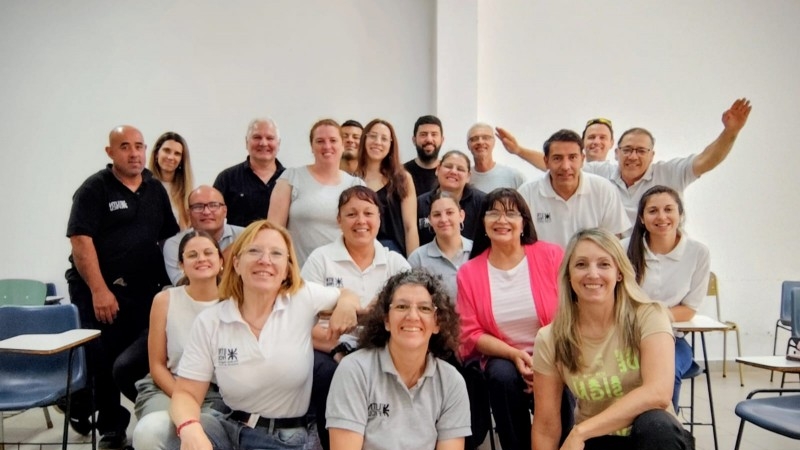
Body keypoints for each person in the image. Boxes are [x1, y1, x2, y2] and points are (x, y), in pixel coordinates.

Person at [169, 220, 360, 450]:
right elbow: (186, 393)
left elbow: (346, 294)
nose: (265, 260)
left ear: (288, 269)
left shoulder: (303, 298)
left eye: (276, 253)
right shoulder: (211, 320)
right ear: (237, 263)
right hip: (226, 427)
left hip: (280, 438)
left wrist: (347, 305)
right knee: (157, 431)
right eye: (254, 251)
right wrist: (190, 428)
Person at [65, 125, 179, 449]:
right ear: (110, 152)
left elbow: (167, 240)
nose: (134, 153)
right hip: (98, 289)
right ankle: (112, 430)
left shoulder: (155, 189)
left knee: (139, 358)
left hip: (143, 289)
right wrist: (100, 290)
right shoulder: (94, 188)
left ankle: (152, 415)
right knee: (102, 359)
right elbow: (80, 240)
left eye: (139, 146)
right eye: (125, 146)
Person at [532, 228, 693, 450]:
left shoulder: (649, 315)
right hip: (598, 441)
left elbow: (658, 393)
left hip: (651, 439)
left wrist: (580, 431)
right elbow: (546, 425)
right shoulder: (550, 337)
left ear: (619, 272)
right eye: (581, 264)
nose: (593, 273)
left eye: (604, 264)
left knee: (656, 424)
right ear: (569, 276)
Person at [497, 98, 753, 223]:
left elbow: (707, 160)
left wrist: (730, 133)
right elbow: (562, 167)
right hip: (612, 260)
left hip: (657, 258)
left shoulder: (670, 173)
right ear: (616, 152)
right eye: (627, 150)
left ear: (653, 155)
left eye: (641, 151)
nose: (633, 156)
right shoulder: (601, 172)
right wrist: (519, 150)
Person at [456, 188, 568, 450]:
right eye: (493, 212)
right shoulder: (469, 272)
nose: (501, 220)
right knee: (501, 376)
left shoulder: (551, 255)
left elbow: (570, 314)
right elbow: (470, 333)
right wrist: (514, 355)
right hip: (504, 356)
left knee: (563, 382)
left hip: (555, 352)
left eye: (510, 213)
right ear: (482, 223)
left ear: (523, 222)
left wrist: (542, 364)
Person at [301, 186, 411, 450]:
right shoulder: (321, 259)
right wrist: (340, 346)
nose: (361, 221)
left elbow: (410, 315)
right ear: (339, 220)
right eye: (351, 214)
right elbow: (301, 321)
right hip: (328, 349)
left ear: (379, 218)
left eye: (368, 213)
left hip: (383, 348)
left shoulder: (396, 263)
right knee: (329, 373)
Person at [326, 269, 472, 450]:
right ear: (386, 320)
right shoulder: (354, 370)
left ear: (437, 323)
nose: (412, 316)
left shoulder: (451, 382)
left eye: (424, 308)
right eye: (402, 306)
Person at [132, 231, 225, 450]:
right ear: (181, 264)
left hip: (219, 392)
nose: (201, 258)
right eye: (192, 255)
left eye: (208, 252)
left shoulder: (235, 301)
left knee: (202, 437)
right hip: (169, 385)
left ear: (221, 261)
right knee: (154, 431)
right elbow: (156, 365)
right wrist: (186, 400)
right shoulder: (165, 300)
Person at [624, 185, 710, 411]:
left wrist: (650, 319)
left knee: (665, 375)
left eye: (668, 209)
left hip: (672, 339)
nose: (661, 217)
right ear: (642, 218)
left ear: (680, 214)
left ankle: (666, 433)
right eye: (653, 211)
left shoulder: (698, 252)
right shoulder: (622, 249)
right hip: (625, 339)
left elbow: (689, 309)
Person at [268, 119, 365, 266]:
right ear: (312, 147)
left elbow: (364, 234)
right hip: (299, 275)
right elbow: (273, 231)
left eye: (333, 140)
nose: (327, 146)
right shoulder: (291, 178)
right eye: (320, 141)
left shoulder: (355, 185)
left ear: (342, 145)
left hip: (342, 273)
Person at [517, 129, 630, 247]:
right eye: (557, 158)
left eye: (572, 157)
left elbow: (613, 240)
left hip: (590, 264)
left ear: (582, 159)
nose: (565, 166)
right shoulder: (527, 193)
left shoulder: (604, 189)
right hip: (542, 265)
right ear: (546, 161)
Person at [356, 118, 419, 256]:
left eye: (384, 138)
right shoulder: (351, 179)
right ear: (364, 139)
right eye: (373, 136)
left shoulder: (402, 179)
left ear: (391, 144)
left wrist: (413, 266)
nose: (378, 142)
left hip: (393, 255)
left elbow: (410, 227)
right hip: (357, 252)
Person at [163, 185, 245, 285]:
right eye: (198, 207)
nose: (206, 212)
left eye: (214, 205)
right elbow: (183, 285)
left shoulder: (246, 236)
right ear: (189, 213)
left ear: (225, 211)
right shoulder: (174, 244)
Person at [214, 118, 286, 227]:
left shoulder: (290, 179)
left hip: (278, 244)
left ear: (278, 144)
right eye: (257, 137)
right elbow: (213, 217)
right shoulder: (227, 178)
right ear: (246, 142)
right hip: (240, 243)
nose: (263, 143)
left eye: (270, 138)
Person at [408, 191, 472, 303]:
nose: (443, 219)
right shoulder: (418, 258)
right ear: (430, 220)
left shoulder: (477, 250)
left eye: (449, 213)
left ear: (461, 215)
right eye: (437, 214)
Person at [417, 150, 485, 246]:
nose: (453, 171)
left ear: (468, 176)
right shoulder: (420, 203)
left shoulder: (482, 202)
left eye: (460, 169)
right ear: (437, 169)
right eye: (448, 166)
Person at [148, 131, 194, 230]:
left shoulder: (187, 193)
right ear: (156, 154)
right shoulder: (143, 186)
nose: (171, 157)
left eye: (177, 154)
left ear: (182, 160)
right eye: (166, 150)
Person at [466, 122, 527, 192]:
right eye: (474, 139)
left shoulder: (514, 177)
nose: (480, 142)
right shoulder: (464, 178)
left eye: (485, 138)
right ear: (468, 145)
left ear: (494, 142)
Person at [403, 115, 444, 195]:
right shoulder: (401, 172)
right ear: (414, 140)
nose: (429, 139)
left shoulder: (449, 173)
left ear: (442, 140)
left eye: (434, 134)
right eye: (423, 134)